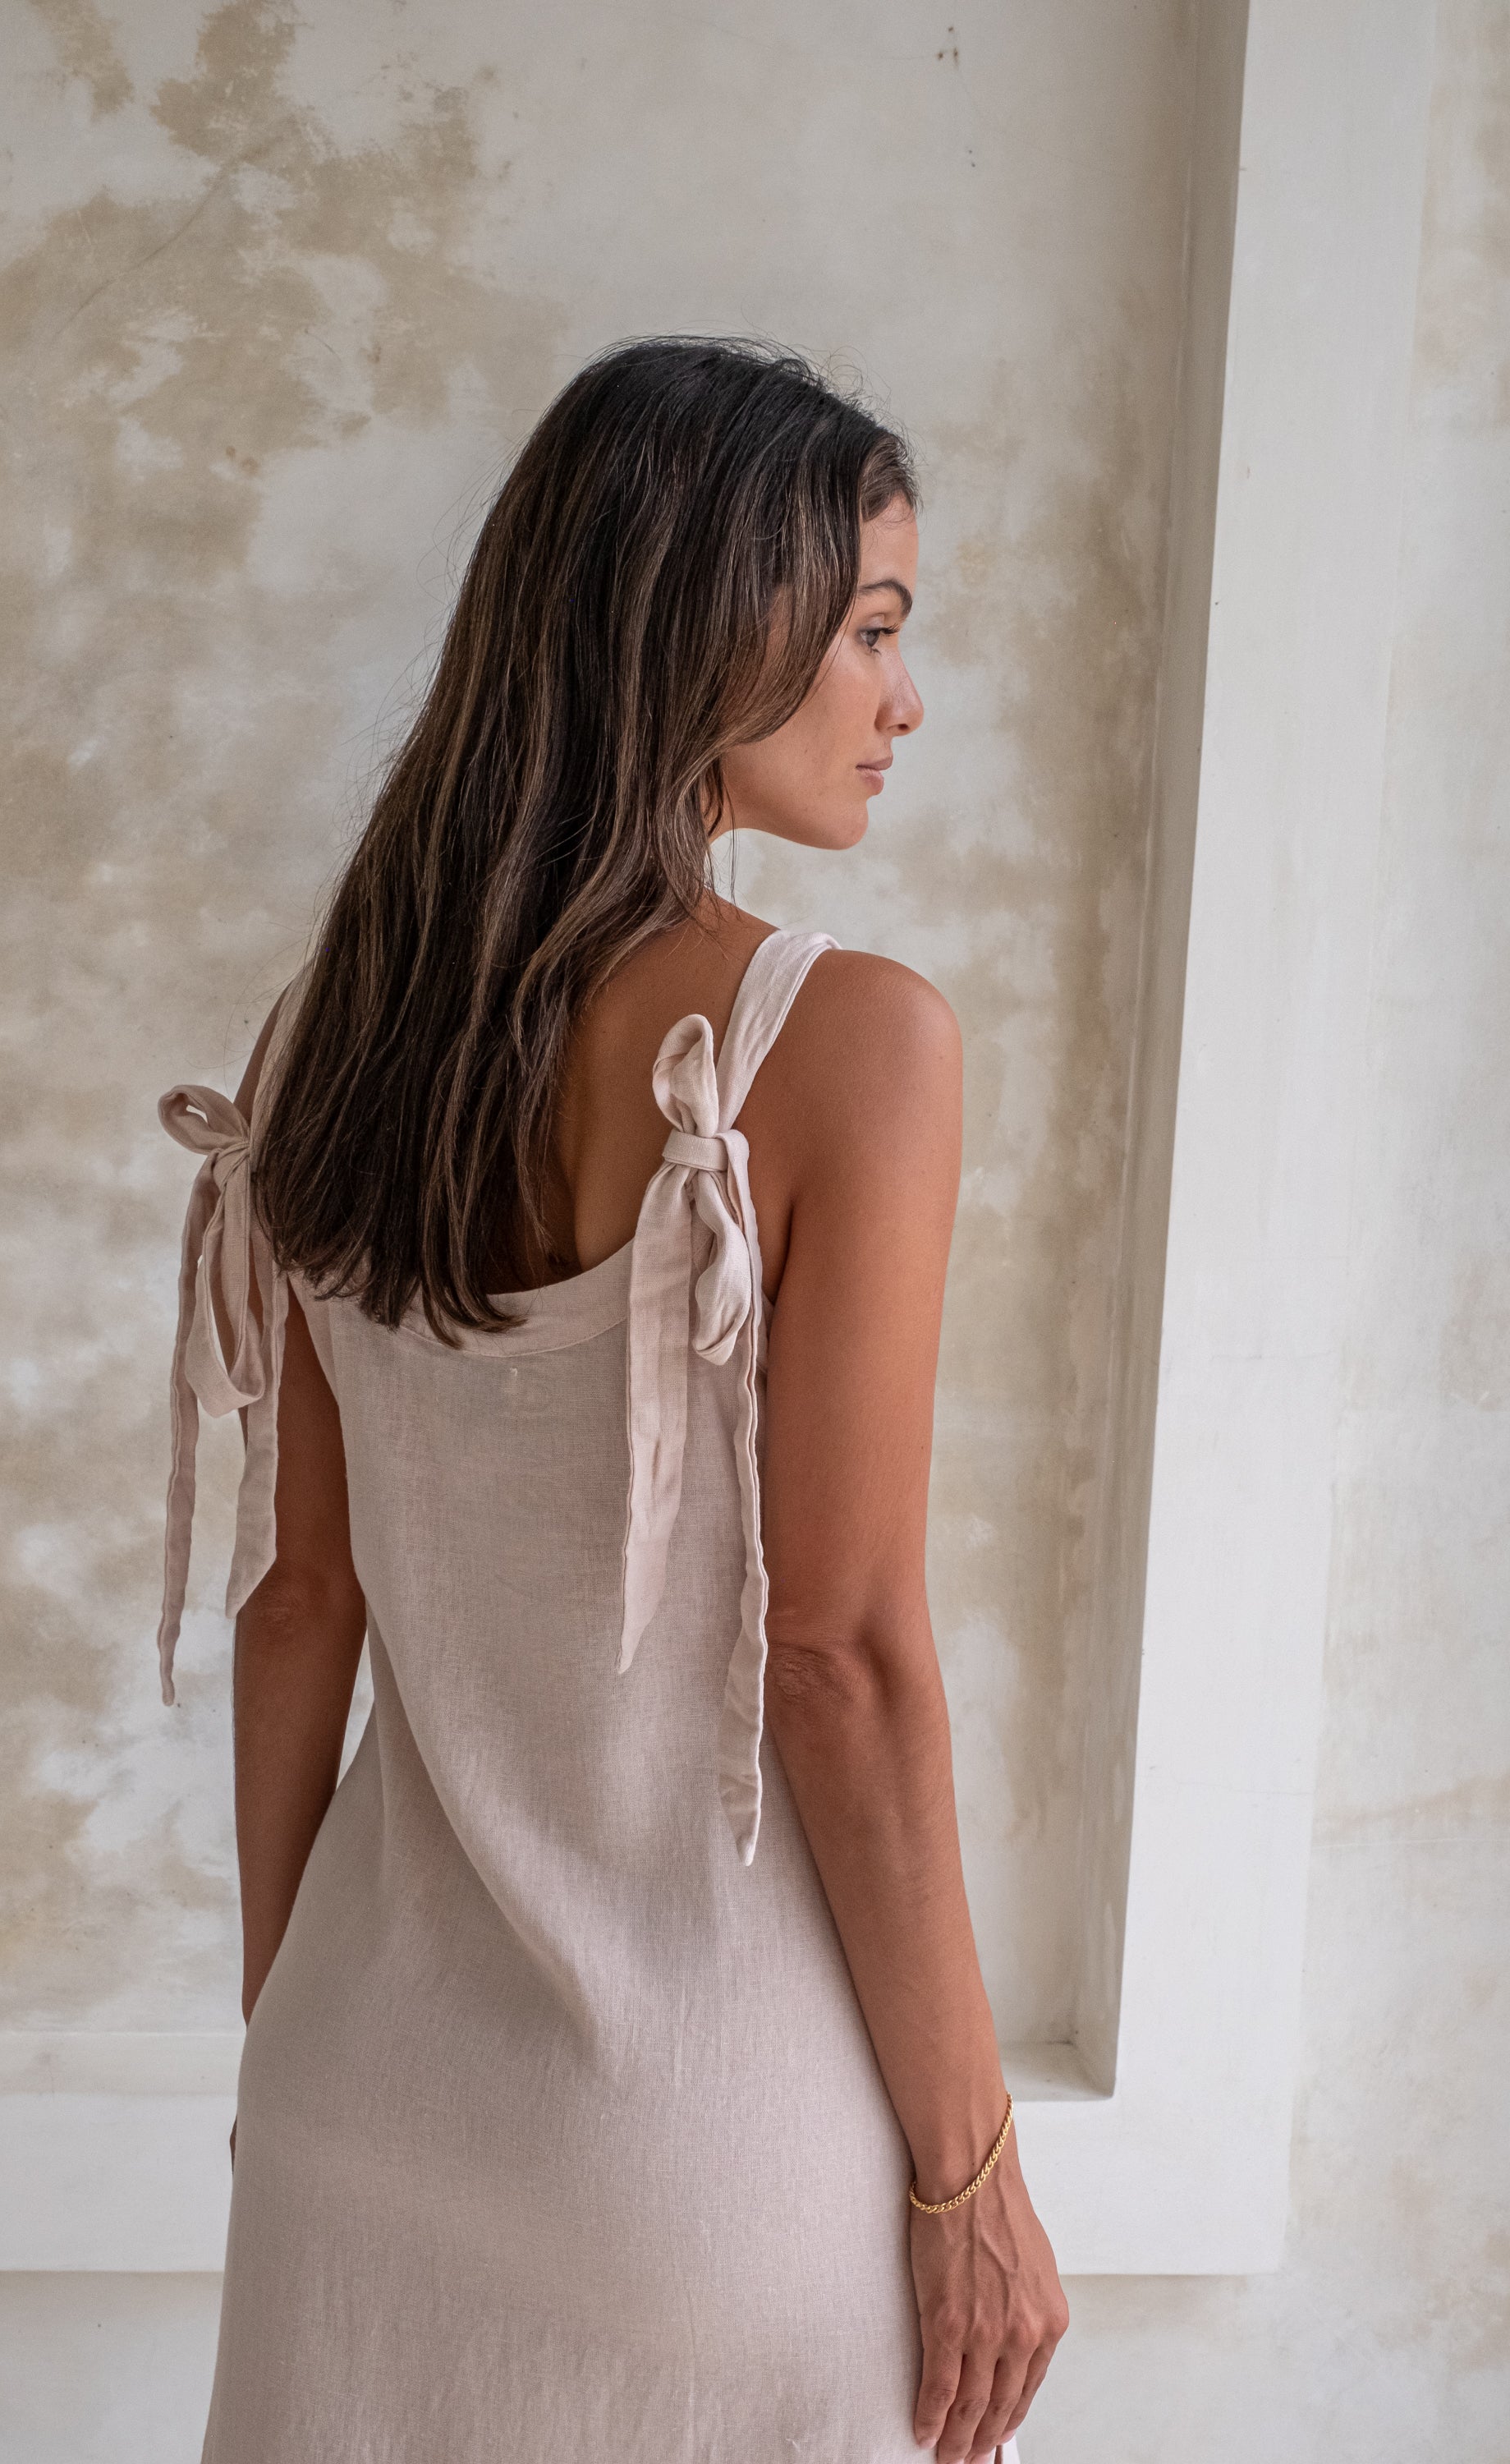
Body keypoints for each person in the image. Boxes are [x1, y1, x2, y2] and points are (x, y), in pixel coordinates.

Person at [156, 336, 1067, 2464]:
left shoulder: (333, 1043)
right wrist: (968, 2174)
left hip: (357, 2114)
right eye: (871, 629)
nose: (903, 697)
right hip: (709, 2151)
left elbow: (305, 1605)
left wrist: (292, 2049)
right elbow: (837, 1660)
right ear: (712, 622)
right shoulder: (848, 1044)